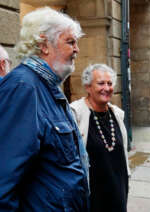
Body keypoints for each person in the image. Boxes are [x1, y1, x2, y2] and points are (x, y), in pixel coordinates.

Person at [0, 7, 89, 211]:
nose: (77, 49)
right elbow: (3, 180)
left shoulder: (44, 85)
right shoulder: (23, 88)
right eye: (70, 42)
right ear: (43, 45)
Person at [70, 64, 130, 212]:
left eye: (110, 83)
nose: (107, 88)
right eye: (101, 83)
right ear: (88, 87)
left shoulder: (117, 114)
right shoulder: (75, 113)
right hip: (92, 194)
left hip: (118, 191)